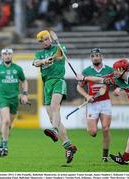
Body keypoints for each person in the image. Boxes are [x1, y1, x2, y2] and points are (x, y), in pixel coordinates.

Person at [76, 58, 129, 165]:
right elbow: (99, 79)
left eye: (117, 70)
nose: (114, 72)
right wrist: (84, 78)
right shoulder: (117, 80)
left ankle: (125, 158)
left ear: (125, 69)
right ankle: (125, 158)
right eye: (114, 69)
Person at [33, 30, 77, 163]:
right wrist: (45, 60)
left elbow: (59, 55)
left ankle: (54, 130)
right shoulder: (39, 54)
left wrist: (53, 57)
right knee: (53, 119)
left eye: (47, 39)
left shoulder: (59, 47)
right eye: (43, 40)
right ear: (40, 42)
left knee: (54, 107)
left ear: (51, 39)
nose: (46, 41)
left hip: (58, 80)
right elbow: (35, 63)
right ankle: (69, 146)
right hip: (47, 84)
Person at [0, 48, 28, 157]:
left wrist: (25, 94)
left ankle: (1, 142)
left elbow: (24, 80)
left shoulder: (18, 69)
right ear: (2, 56)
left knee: (9, 124)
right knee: (6, 121)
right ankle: (4, 145)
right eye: (5, 54)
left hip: (14, 99)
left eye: (9, 54)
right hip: (3, 98)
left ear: (12, 56)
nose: (7, 56)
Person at [77, 48, 114, 162]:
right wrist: (87, 96)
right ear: (90, 58)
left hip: (105, 102)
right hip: (92, 104)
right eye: (93, 56)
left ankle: (105, 156)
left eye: (97, 55)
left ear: (101, 56)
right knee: (92, 132)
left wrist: (118, 90)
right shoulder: (86, 71)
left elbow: (117, 83)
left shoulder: (109, 70)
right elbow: (79, 87)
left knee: (105, 129)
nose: (95, 57)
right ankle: (90, 127)